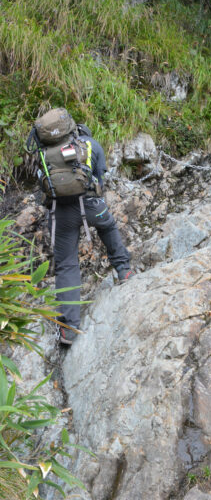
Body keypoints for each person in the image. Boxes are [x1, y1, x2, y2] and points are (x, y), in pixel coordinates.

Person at [28, 110, 132, 345]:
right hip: (93, 206)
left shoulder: (43, 153)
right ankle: (124, 270)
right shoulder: (91, 145)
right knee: (108, 226)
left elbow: (42, 186)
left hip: (61, 213)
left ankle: (69, 328)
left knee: (66, 265)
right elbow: (99, 177)